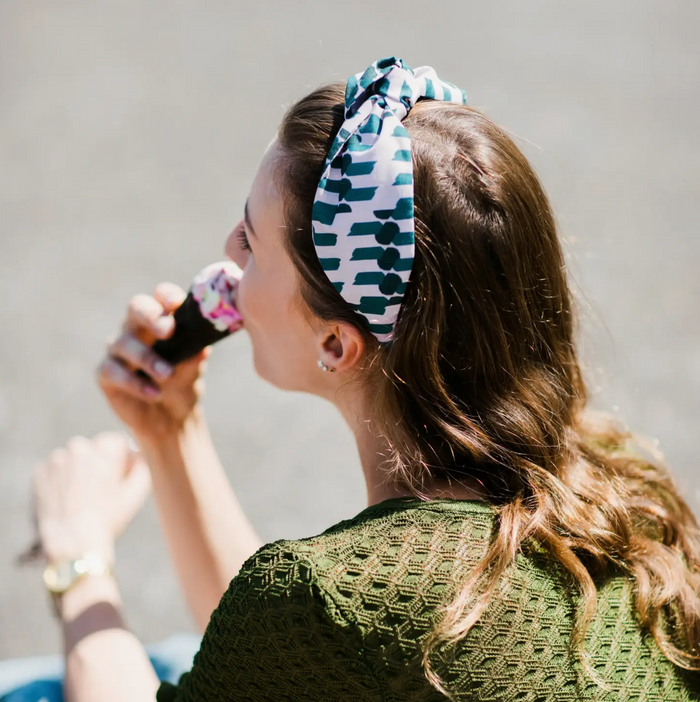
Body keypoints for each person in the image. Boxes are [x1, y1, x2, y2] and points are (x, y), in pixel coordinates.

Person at [11, 56, 700, 701]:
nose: (227, 250)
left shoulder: (331, 597)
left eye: (251, 241)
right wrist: (170, 432)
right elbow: (282, 661)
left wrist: (79, 559)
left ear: (337, 342)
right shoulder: (630, 493)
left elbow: (308, 628)